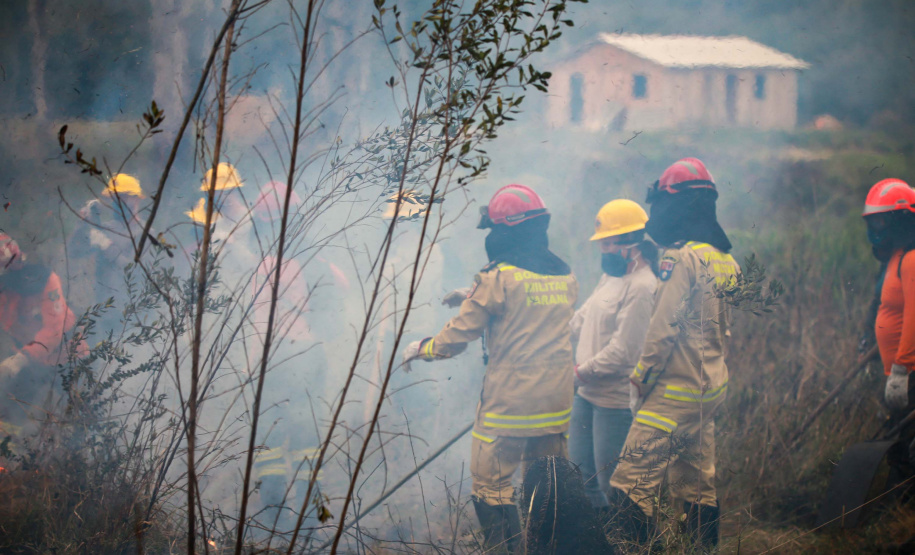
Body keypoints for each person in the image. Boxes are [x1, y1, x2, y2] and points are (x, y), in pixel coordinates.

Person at [402, 184, 578, 553]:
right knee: (548, 485)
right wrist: (470, 295)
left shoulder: (496, 278)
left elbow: (459, 337)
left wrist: (422, 348)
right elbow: (527, 308)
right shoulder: (564, 275)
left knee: (491, 487)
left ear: (505, 230)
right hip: (555, 404)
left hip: (508, 408)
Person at [606, 158, 740, 551]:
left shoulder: (679, 258)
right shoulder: (723, 258)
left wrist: (640, 380)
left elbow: (663, 328)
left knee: (630, 483)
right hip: (708, 390)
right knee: (696, 484)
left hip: (674, 391)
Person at [568, 199, 658, 513]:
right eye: (602, 243)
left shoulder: (643, 286)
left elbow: (623, 353)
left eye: (608, 243)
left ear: (630, 243)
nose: (603, 250)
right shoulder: (612, 277)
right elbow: (582, 317)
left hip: (615, 401)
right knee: (582, 480)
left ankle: (633, 543)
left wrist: (577, 375)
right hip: (586, 393)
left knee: (611, 484)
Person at [0, 233, 84, 428]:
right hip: (31, 361)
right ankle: (11, 447)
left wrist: (19, 360)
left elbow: (56, 329)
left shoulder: (45, 280)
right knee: (8, 412)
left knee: (79, 419)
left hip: (68, 357)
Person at [862, 179, 915, 416]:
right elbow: (881, 304)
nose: (876, 229)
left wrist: (902, 370)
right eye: (873, 221)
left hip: (908, 372)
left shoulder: (911, 260)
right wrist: (866, 338)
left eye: (881, 221)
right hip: (894, 369)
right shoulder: (894, 256)